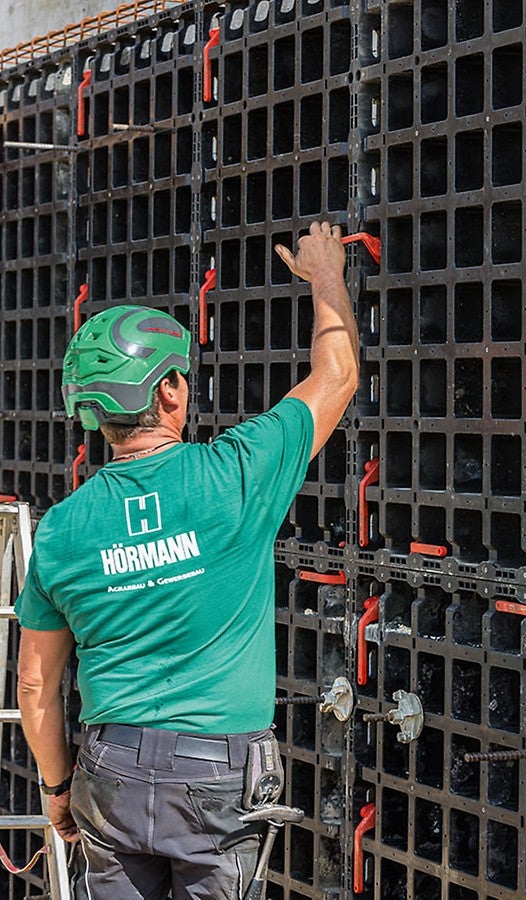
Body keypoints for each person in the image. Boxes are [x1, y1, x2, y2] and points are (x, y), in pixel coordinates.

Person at [15, 221, 359, 899]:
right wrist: (325, 273)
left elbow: (34, 685)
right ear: (168, 392)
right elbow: (338, 373)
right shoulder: (236, 475)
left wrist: (58, 789)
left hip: (107, 771)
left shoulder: (61, 531)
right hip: (218, 777)